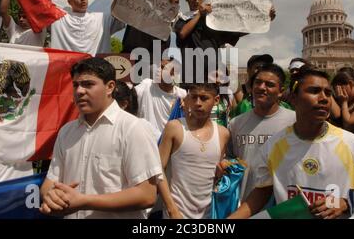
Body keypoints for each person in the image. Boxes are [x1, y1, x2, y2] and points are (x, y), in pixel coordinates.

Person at [228, 67, 354, 219]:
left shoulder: (353, 144)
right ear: (294, 98)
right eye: (314, 91)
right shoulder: (273, 146)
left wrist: (346, 202)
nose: (324, 98)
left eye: (328, 93)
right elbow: (261, 193)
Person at [39, 58, 162, 219]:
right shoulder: (66, 132)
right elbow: (50, 183)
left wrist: (85, 201)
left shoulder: (133, 128)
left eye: (88, 84)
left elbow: (146, 195)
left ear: (110, 87)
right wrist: (52, 197)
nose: (79, 91)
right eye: (76, 85)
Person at [174, 0, 276, 84]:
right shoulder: (183, 18)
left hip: (213, 75)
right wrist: (199, 14)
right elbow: (182, 33)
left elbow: (238, 30)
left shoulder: (214, 20)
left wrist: (264, 20)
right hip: (191, 75)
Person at [158, 82, 230, 219]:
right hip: (177, 214)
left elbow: (217, 175)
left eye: (204, 98)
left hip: (210, 214)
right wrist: (172, 209)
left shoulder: (223, 134)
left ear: (216, 100)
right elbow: (158, 169)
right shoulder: (175, 128)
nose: (198, 103)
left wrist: (222, 171)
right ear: (188, 99)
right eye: (194, 97)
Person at [227, 63, 296, 202]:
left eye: (269, 84)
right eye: (258, 82)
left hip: (281, 207)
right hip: (244, 204)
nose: (261, 87)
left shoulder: (295, 121)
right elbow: (230, 160)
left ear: (281, 91)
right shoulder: (235, 124)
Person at [50, 0, 124, 55]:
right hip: (66, 65)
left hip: (96, 66)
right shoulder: (59, 19)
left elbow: (117, 16)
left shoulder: (101, 18)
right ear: (69, 2)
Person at [135, 58, 187, 135]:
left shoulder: (182, 95)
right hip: (147, 141)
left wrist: (186, 109)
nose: (158, 70)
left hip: (168, 142)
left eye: (163, 68)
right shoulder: (146, 86)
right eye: (159, 66)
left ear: (174, 74)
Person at [230, 54, 274, 118]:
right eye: (257, 68)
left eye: (264, 68)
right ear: (248, 70)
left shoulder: (271, 92)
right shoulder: (237, 91)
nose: (261, 71)